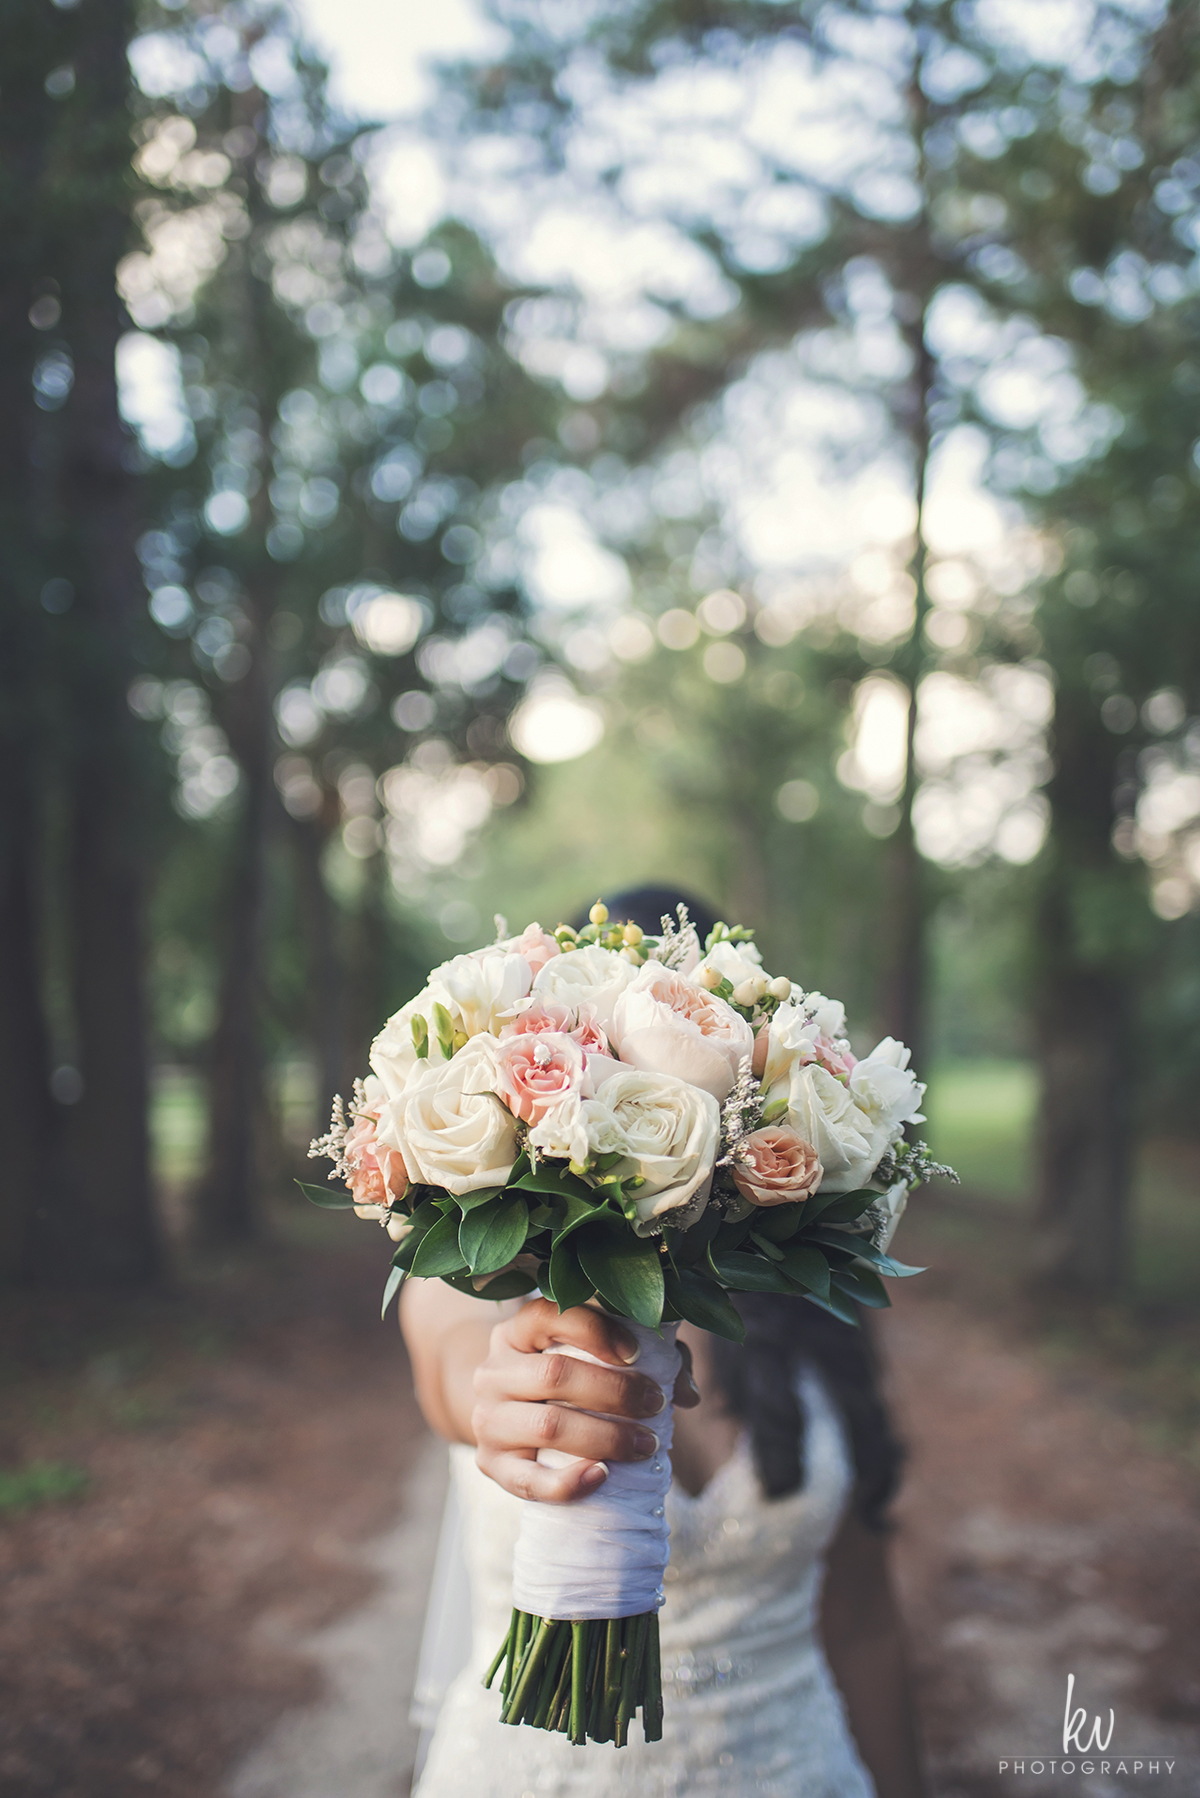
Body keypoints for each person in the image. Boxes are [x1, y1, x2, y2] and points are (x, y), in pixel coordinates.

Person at [402, 890, 928, 1797]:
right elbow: (460, 1378)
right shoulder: (477, 1276)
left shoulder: (810, 1294)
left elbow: (864, 1620)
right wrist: (507, 1398)